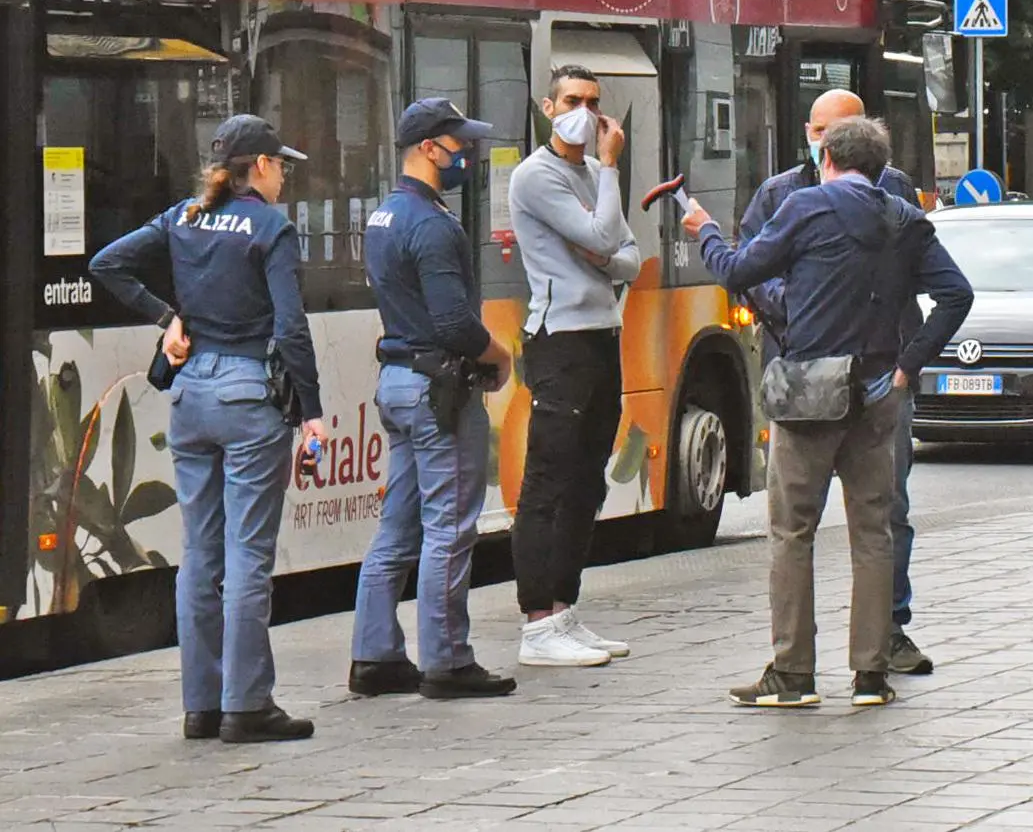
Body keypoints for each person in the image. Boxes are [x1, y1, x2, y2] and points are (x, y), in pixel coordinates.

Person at [681, 116, 972, 707]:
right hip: (876, 393)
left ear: (829, 158)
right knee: (873, 534)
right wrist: (908, 365)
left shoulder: (807, 207)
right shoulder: (906, 219)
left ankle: (792, 674)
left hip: (810, 393)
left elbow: (739, 272)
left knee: (792, 532)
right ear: (878, 166)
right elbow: (956, 294)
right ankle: (870, 675)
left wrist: (705, 230)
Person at [90, 114, 326, 742]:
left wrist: (166, 316)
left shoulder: (184, 217)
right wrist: (313, 413)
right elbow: (291, 326)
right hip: (249, 396)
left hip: (191, 394)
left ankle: (201, 705)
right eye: (283, 165)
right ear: (263, 167)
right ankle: (247, 706)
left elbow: (107, 264)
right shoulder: (271, 227)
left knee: (199, 553)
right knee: (248, 554)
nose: (285, 177)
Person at [739, 88, 933, 675]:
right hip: (806, 378)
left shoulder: (893, 190)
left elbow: (922, 268)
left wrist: (907, 363)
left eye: (842, 130)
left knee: (882, 512)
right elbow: (754, 273)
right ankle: (852, 666)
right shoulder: (780, 194)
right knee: (804, 521)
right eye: (822, 130)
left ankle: (884, 636)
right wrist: (799, 309)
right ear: (809, 132)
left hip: (878, 377)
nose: (830, 141)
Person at [351, 97, 516, 701]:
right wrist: (499, 356)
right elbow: (453, 323)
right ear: (428, 149)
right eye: (458, 144)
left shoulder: (382, 217)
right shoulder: (433, 225)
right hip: (438, 389)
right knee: (449, 524)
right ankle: (447, 660)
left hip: (396, 381)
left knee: (397, 526)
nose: (466, 154)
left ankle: (374, 656)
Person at [508, 65, 641, 667]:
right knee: (549, 480)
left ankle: (564, 608)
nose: (583, 113)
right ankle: (537, 621)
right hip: (559, 339)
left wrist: (601, 248)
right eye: (571, 100)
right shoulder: (537, 175)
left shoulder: (589, 174)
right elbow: (603, 231)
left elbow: (628, 253)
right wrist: (609, 179)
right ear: (547, 105)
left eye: (592, 102)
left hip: (601, 335)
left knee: (589, 480)